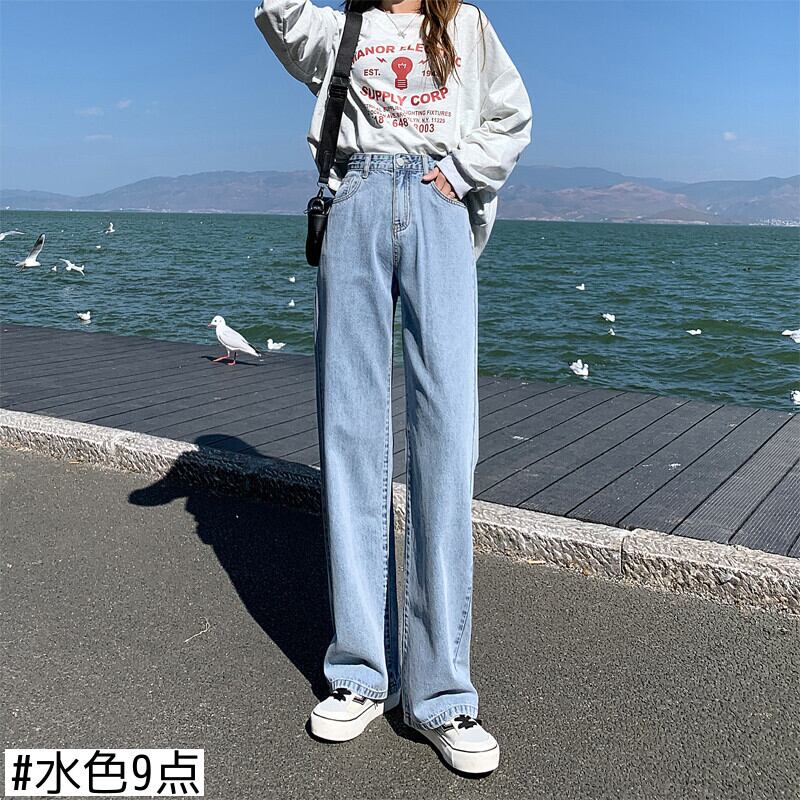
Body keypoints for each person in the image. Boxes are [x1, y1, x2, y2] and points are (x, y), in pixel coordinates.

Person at [254, 0, 532, 775]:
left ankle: (442, 693)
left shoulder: (466, 24)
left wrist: (458, 175)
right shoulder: (338, 28)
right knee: (349, 431)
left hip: (441, 202)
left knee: (447, 436)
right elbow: (276, 12)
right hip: (355, 196)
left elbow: (511, 115)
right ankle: (359, 672)